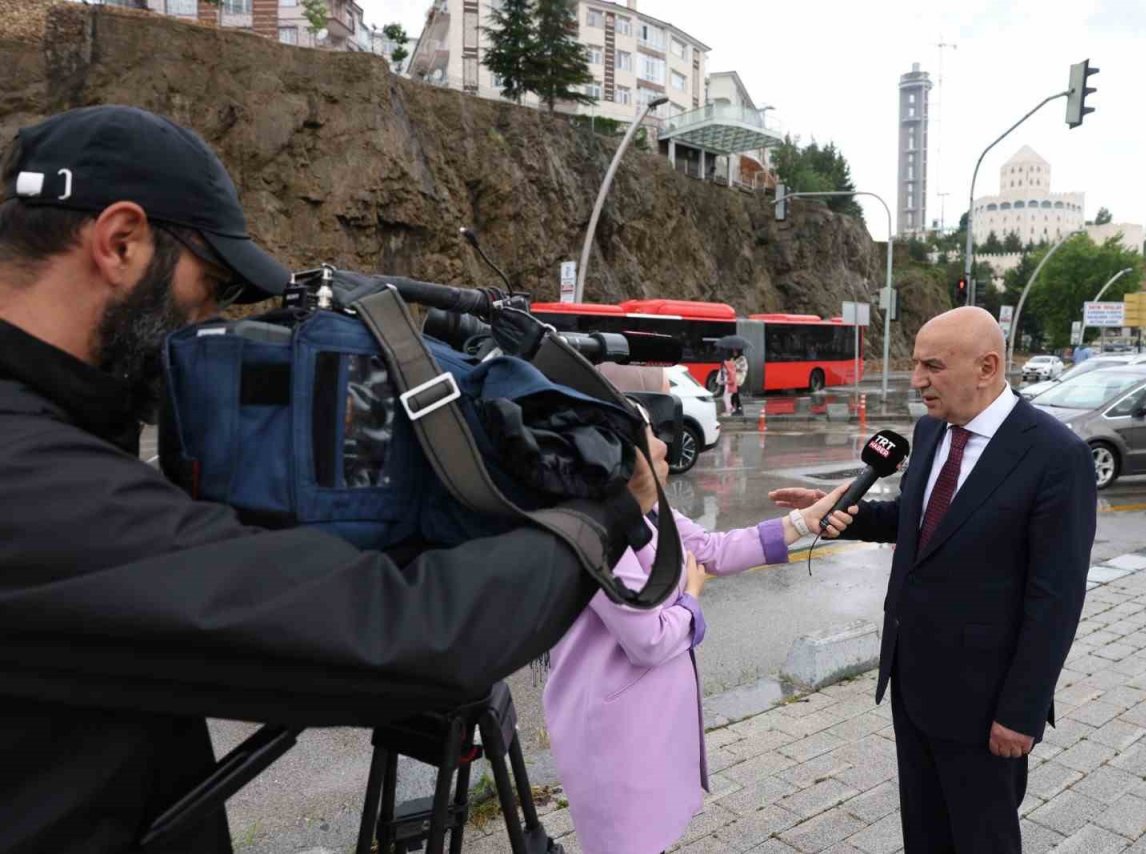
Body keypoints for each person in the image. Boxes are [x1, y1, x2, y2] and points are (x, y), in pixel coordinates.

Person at [0, 105, 655, 854]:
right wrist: (603, 514)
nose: (207, 318)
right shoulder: (29, 479)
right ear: (120, 242)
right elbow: (402, 635)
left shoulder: (54, 433)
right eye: (210, 282)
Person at [771, 307, 1096, 853]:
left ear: (987, 367)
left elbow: (1056, 599)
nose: (916, 379)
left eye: (932, 366)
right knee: (924, 832)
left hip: (986, 701)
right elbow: (917, 517)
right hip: (914, 681)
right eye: (915, 364)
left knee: (981, 837)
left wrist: (1021, 712)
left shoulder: (1056, 456)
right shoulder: (930, 431)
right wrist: (849, 512)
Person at [544, 385, 846, 854]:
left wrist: (806, 521)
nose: (666, 444)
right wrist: (691, 598)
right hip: (613, 733)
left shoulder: (647, 511)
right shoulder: (594, 533)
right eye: (650, 434)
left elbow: (712, 549)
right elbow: (646, 640)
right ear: (622, 459)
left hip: (648, 723)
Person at [731, 349, 748, 415]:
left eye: (735, 351)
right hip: (733, 377)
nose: (734, 353)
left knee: (735, 392)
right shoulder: (732, 359)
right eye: (733, 351)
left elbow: (744, 368)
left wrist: (736, 367)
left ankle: (734, 406)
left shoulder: (742, 359)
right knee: (735, 392)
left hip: (739, 377)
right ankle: (738, 406)